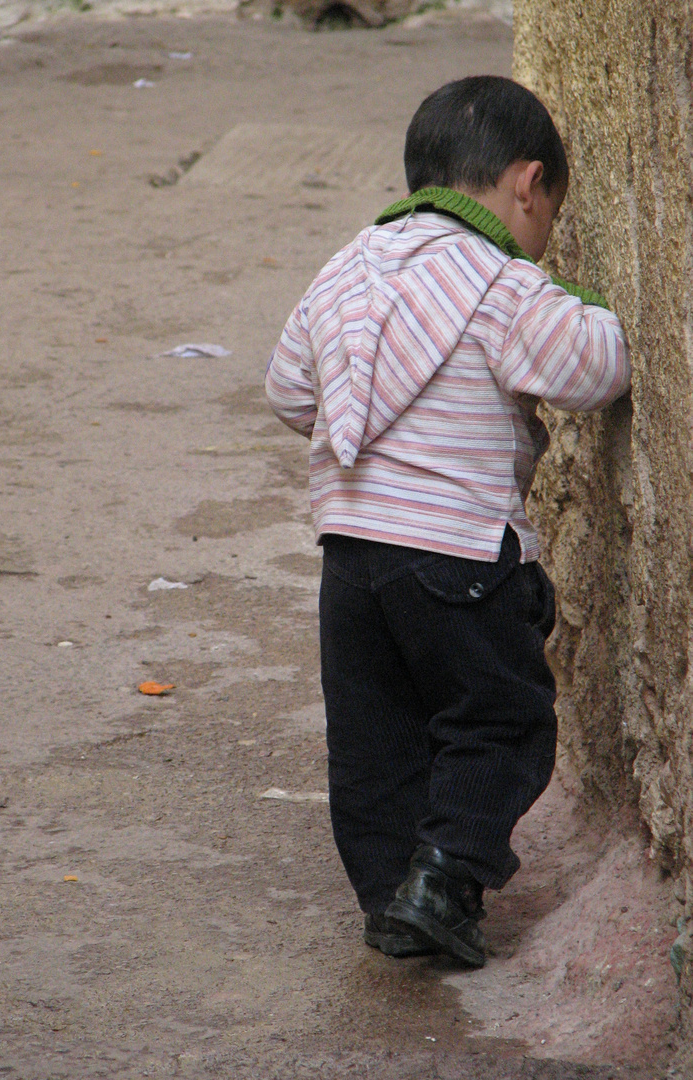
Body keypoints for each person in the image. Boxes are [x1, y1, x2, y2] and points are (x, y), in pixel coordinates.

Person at [264, 75, 630, 969]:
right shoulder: (505, 284)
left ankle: (393, 896)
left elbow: (286, 391)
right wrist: (593, 313)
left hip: (350, 556)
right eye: (549, 209)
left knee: (373, 739)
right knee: (498, 721)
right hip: (461, 555)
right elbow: (593, 370)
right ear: (525, 184)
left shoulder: (346, 264)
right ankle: (445, 881)